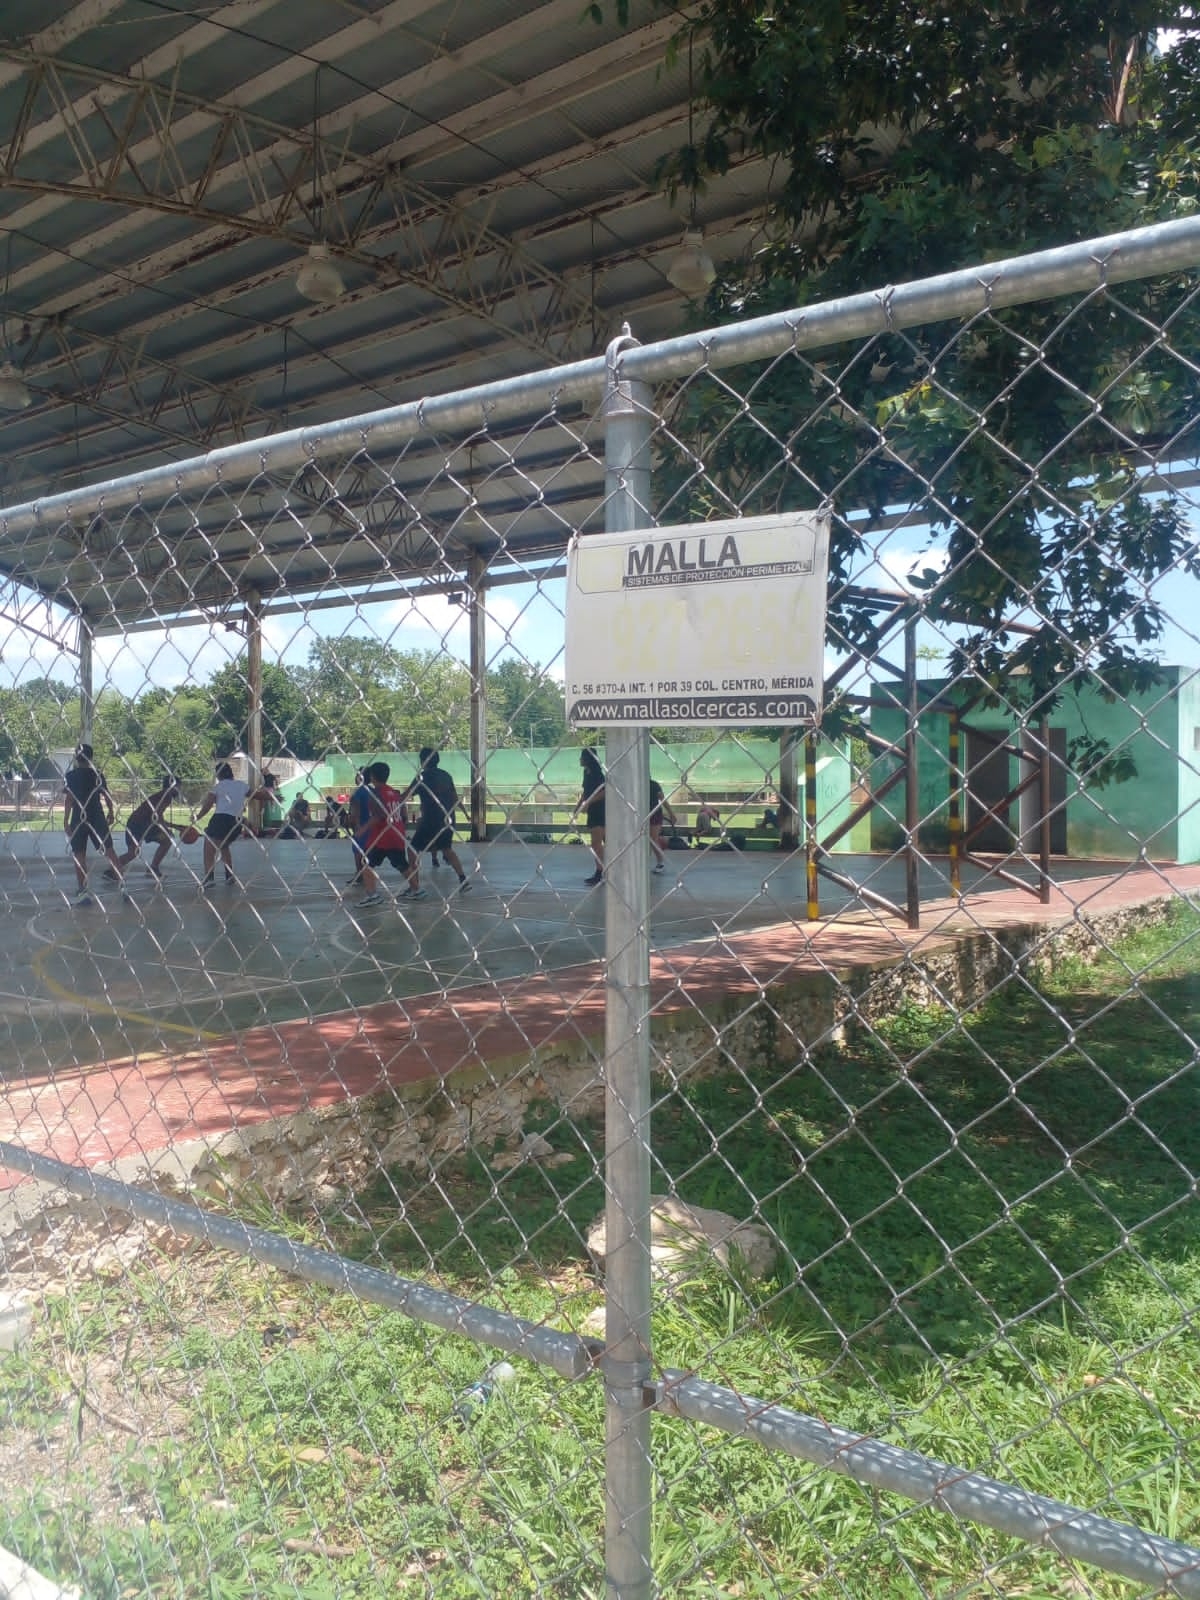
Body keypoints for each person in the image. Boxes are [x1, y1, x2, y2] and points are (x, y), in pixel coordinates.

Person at [62, 744, 127, 904]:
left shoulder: (70, 775)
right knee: (109, 851)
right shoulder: (97, 774)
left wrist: (66, 820)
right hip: (96, 817)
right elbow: (106, 796)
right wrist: (111, 812)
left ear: (77, 757)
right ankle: (123, 885)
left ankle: (83, 890)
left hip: (78, 817)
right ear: (91, 758)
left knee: (79, 854)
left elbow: (69, 799)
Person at [401, 747, 470, 895]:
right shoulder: (446, 775)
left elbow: (407, 795)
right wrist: (464, 813)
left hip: (430, 819)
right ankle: (463, 878)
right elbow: (454, 797)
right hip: (448, 818)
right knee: (447, 848)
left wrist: (394, 797)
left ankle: (415, 886)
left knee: (412, 849)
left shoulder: (422, 777)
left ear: (423, 761)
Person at [194, 762, 272, 890]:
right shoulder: (241, 785)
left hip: (221, 819)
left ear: (218, 775)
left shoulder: (218, 787)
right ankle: (229, 876)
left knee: (209, 845)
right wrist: (272, 797)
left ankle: (209, 878)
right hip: (236, 822)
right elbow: (258, 795)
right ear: (231, 773)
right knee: (223, 845)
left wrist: (198, 817)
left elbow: (208, 804)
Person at [355, 761, 421, 907]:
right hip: (397, 833)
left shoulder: (375, 793)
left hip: (382, 836)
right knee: (402, 864)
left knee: (366, 863)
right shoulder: (392, 791)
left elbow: (378, 816)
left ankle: (372, 895)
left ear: (372, 777)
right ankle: (416, 889)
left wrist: (363, 829)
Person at [108, 774, 181, 883]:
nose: (179, 790)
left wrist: (175, 826)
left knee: (166, 840)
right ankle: (112, 871)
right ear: (172, 786)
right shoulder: (165, 797)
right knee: (133, 853)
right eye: (178, 786)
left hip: (146, 825)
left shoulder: (164, 796)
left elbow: (156, 817)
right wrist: (166, 829)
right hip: (137, 825)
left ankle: (153, 868)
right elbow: (157, 816)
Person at [571, 747, 605, 886]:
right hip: (592, 810)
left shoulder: (598, 774)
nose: (580, 760)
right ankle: (601, 870)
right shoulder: (587, 772)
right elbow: (586, 792)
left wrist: (588, 802)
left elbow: (604, 792)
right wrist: (578, 806)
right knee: (597, 842)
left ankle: (601, 872)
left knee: (597, 842)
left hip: (601, 810)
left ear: (588, 759)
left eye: (582, 757)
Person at [346, 769, 374, 885]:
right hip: (373, 824)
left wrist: (354, 823)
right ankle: (366, 874)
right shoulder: (373, 791)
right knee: (368, 851)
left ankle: (359, 874)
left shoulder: (358, 792)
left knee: (358, 851)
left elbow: (355, 811)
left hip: (361, 825)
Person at [648, 777, 676, 874]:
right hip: (643, 814)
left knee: (653, 839)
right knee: (648, 840)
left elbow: (662, 799)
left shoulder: (653, 785)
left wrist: (671, 813)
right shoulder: (636, 784)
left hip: (654, 814)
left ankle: (661, 862)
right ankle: (647, 862)